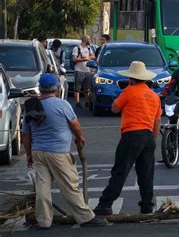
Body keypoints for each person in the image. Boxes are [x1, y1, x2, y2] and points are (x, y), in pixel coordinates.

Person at [21, 74, 108, 229]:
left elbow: (26, 134)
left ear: (40, 88)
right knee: (70, 185)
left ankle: (43, 221)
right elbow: (75, 125)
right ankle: (85, 217)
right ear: (56, 88)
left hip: (38, 151)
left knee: (42, 186)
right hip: (58, 152)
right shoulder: (62, 105)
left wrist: (28, 154)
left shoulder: (31, 105)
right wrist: (80, 138)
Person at [93, 61, 161, 215]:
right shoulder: (153, 95)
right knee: (146, 174)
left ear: (131, 78)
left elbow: (114, 108)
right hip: (148, 136)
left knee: (120, 172)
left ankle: (105, 204)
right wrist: (152, 139)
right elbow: (157, 121)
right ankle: (147, 205)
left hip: (131, 135)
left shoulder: (130, 91)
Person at [72, 35, 95, 109]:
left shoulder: (89, 48)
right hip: (79, 70)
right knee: (77, 88)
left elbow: (93, 56)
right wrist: (83, 59)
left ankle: (87, 102)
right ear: (85, 40)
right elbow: (74, 59)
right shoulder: (77, 48)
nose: (90, 40)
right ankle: (77, 103)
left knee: (87, 88)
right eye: (89, 39)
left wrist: (86, 58)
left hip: (87, 70)